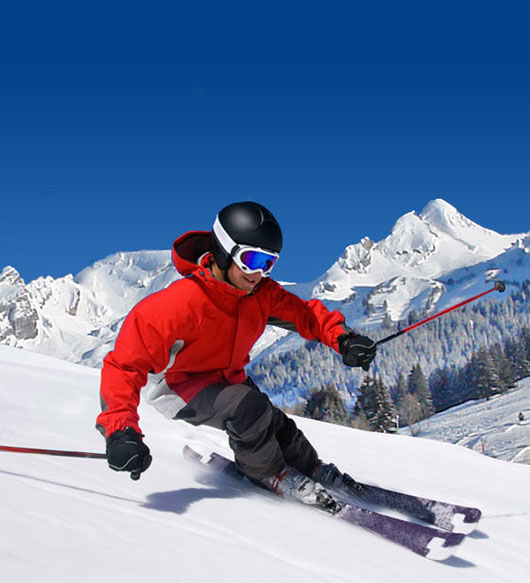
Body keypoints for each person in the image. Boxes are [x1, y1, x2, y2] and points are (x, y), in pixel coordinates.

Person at [97, 202, 376, 509]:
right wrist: (121, 431)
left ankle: (310, 468)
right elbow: (124, 365)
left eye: (268, 263)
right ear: (223, 251)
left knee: (274, 422)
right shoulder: (178, 303)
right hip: (181, 387)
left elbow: (305, 316)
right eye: (251, 259)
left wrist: (344, 339)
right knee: (248, 407)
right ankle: (270, 474)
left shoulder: (260, 294)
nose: (258, 273)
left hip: (229, 380)